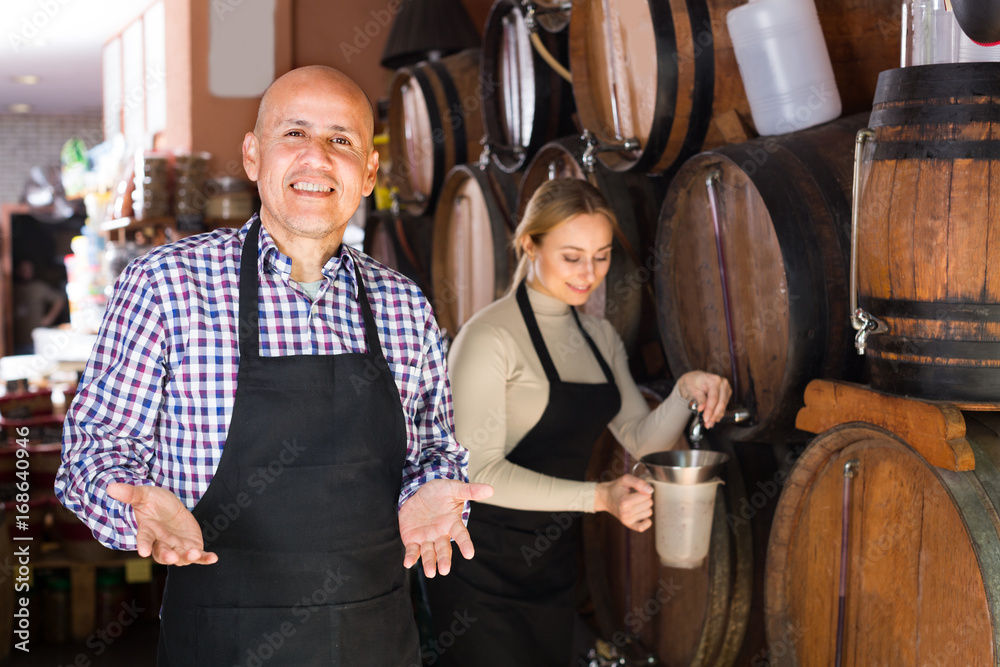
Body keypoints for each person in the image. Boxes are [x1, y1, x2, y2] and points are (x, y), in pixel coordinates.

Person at [56, 66, 491, 666]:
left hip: (374, 638)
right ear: (253, 156)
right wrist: (134, 506)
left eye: (341, 139)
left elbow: (434, 447)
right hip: (221, 642)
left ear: (368, 173)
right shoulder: (167, 286)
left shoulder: (402, 304)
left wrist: (433, 489)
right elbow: (91, 453)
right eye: (294, 134)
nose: (317, 156)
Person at [422, 178, 732, 667]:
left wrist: (684, 392)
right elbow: (476, 475)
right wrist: (599, 498)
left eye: (602, 255)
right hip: (478, 571)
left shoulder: (598, 335)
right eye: (571, 256)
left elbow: (640, 439)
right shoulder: (490, 337)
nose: (589, 273)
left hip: (552, 563)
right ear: (530, 244)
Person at [12, 258, 66, 354]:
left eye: (29, 270)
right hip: (15, 342)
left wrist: (48, 319)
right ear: (17, 270)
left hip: (35, 341)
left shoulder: (38, 287)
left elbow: (59, 300)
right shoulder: (10, 289)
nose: (26, 273)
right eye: (23, 269)